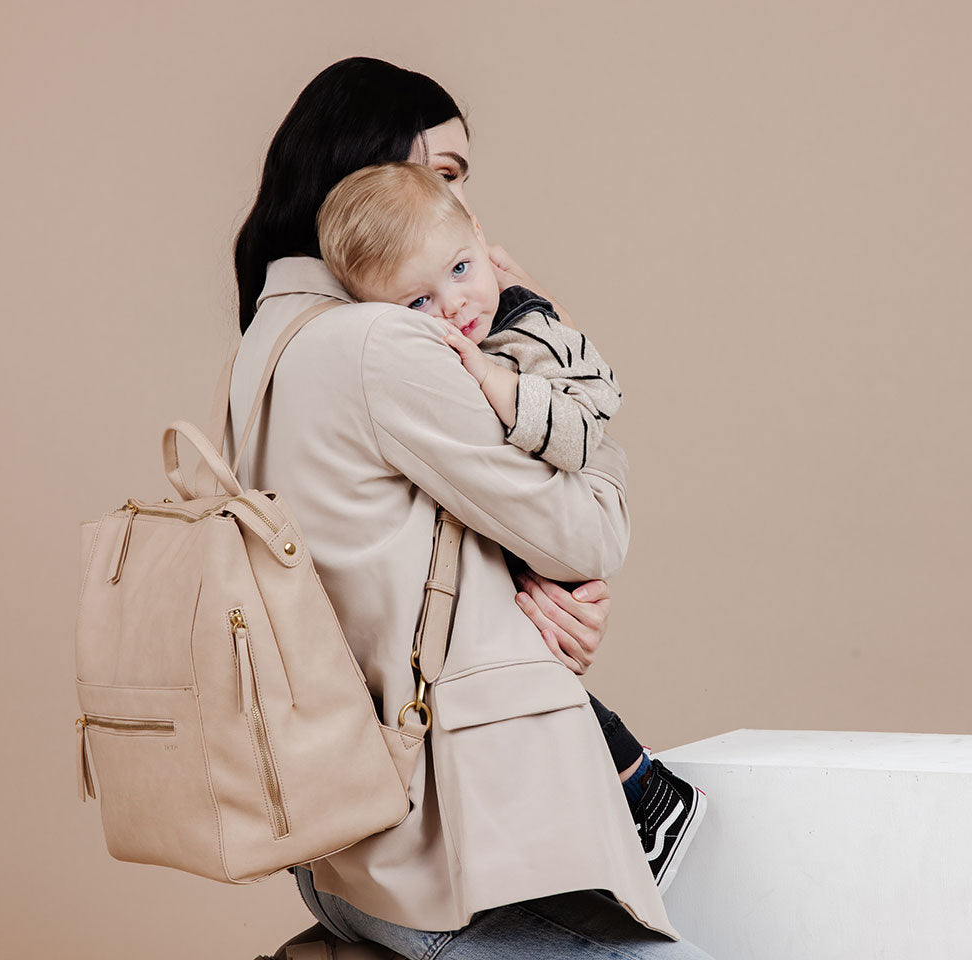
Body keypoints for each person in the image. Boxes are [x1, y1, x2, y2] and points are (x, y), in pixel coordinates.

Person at [228, 56, 715, 959]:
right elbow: (593, 530)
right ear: (365, 180)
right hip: (457, 861)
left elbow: (398, 563)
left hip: (348, 852)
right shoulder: (385, 344)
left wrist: (524, 608)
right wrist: (533, 325)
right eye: (438, 177)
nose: (466, 221)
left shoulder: (269, 338)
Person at [315, 159, 707, 890]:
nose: (456, 305)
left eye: (463, 270)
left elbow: (589, 431)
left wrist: (500, 386)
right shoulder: (436, 341)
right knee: (518, 640)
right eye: (419, 304)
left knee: (526, 653)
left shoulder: (528, 328)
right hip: (513, 545)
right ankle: (641, 797)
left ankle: (645, 796)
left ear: (482, 240)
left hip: (563, 507)